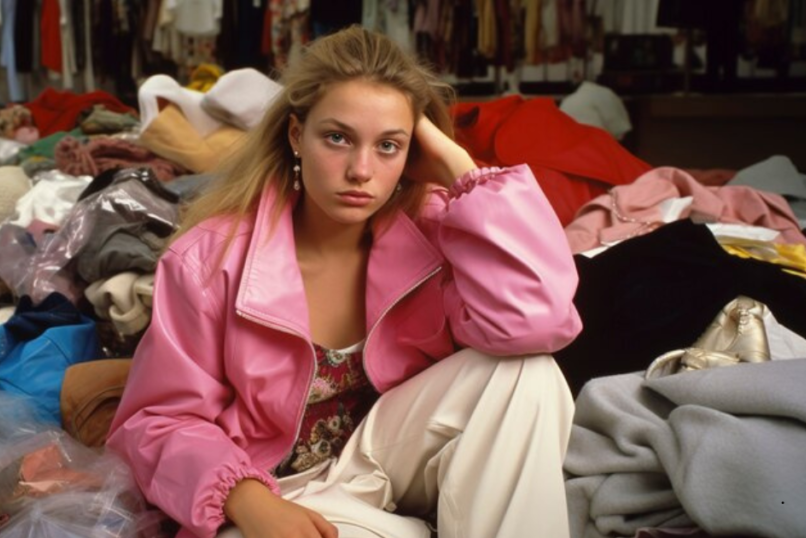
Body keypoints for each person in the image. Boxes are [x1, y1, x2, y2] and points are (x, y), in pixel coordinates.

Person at [107, 26, 582, 538]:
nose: (360, 170)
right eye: (338, 137)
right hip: (278, 493)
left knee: (529, 373)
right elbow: (156, 421)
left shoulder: (437, 230)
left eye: (388, 146)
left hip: (387, 461)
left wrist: (460, 169)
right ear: (296, 135)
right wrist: (244, 500)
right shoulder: (208, 259)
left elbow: (538, 321)